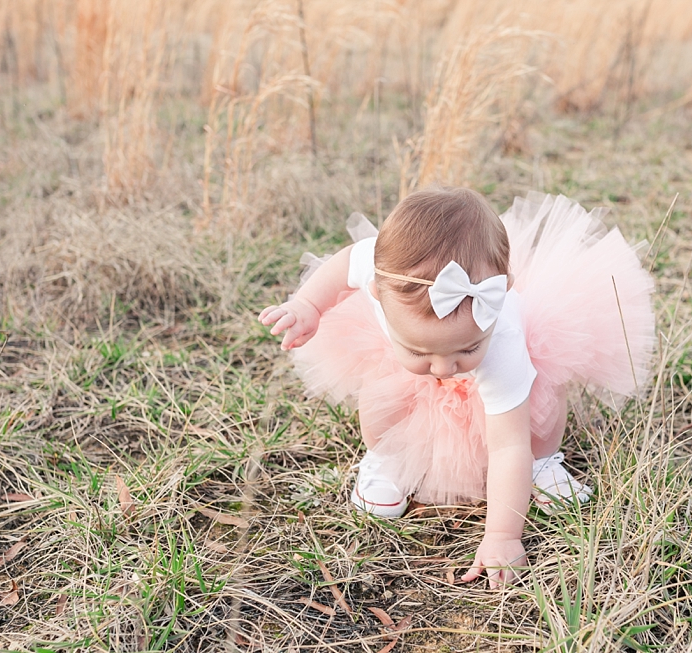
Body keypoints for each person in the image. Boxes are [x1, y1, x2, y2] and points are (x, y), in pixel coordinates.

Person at [258, 187, 655, 587]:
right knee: (383, 391)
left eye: (466, 348)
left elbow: (506, 444)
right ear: (378, 293)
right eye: (420, 349)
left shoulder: (502, 342)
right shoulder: (379, 272)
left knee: (541, 407)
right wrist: (308, 305)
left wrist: (502, 536)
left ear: (499, 297)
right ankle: (386, 458)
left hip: (512, 369)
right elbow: (343, 263)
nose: (444, 367)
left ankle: (543, 462)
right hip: (398, 360)